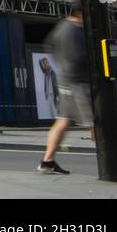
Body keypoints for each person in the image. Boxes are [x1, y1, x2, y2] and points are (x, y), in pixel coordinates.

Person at [40, 9, 89, 174]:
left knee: (63, 121)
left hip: (67, 78)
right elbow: (80, 56)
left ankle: (47, 161)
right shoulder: (74, 30)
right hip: (77, 80)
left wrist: (61, 64)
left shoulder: (62, 27)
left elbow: (49, 44)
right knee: (98, 121)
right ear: (80, 13)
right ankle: (116, 163)